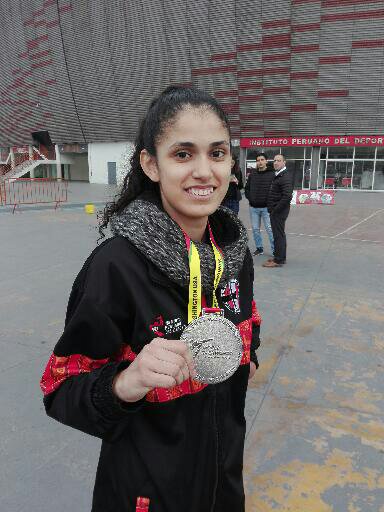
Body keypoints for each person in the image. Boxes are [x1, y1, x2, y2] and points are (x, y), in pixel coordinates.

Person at [40, 86, 262, 512]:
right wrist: (128, 381)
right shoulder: (116, 267)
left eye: (217, 153)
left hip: (223, 481)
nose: (204, 171)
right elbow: (59, 388)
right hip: (146, 494)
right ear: (151, 164)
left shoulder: (234, 252)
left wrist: (247, 357)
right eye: (183, 154)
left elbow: (249, 318)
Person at [263, 154, 293, 268]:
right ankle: (279, 257)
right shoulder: (279, 175)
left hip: (278, 212)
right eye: (274, 160)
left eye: (279, 161)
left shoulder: (285, 176)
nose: (276, 162)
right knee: (278, 234)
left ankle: (278, 260)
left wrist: (275, 210)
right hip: (276, 211)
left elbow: (287, 196)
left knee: (278, 235)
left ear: (284, 162)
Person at [244, 152, 275, 256]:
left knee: (270, 230)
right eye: (258, 160)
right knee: (255, 229)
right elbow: (247, 188)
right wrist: (250, 199)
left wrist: (270, 201)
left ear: (266, 161)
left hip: (267, 208)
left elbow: (275, 190)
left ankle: (275, 250)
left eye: (262, 160)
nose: (260, 162)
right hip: (254, 208)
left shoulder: (272, 174)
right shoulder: (253, 174)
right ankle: (259, 248)